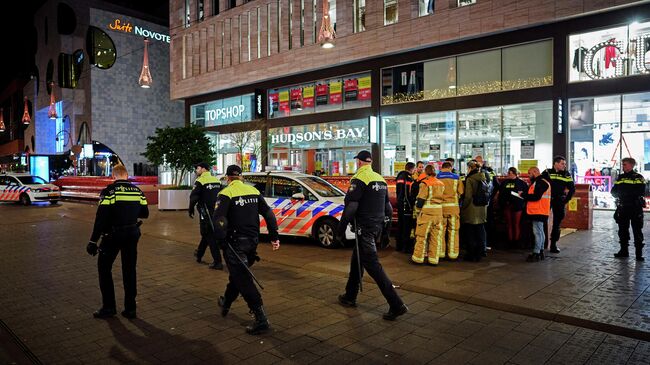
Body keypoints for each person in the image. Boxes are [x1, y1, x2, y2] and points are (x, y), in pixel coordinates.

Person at [336, 150, 408, 321]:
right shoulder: (380, 180)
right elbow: (388, 208)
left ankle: (396, 304)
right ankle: (350, 295)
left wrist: (340, 230)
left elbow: (351, 207)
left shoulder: (359, 179)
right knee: (357, 260)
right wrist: (386, 231)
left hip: (364, 229)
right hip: (375, 227)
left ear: (360, 162)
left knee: (373, 265)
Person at [212, 165, 280, 334]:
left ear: (228, 178)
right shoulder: (254, 191)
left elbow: (219, 220)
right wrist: (274, 236)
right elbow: (269, 214)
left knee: (243, 279)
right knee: (238, 274)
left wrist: (221, 241)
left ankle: (261, 318)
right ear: (241, 177)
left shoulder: (226, 193)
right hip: (252, 242)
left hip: (235, 243)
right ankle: (226, 301)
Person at [86, 165, 149, 319]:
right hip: (132, 234)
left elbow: (100, 219)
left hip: (112, 236)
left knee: (104, 268)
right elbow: (145, 213)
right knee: (129, 270)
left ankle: (109, 307)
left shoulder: (109, 192)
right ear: (126, 175)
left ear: (113, 176)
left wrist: (93, 241)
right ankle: (130, 308)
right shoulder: (137, 191)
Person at [189, 162, 224, 270]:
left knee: (209, 234)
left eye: (197, 168)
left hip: (206, 212)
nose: (196, 170)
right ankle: (199, 254)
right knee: (206, 233)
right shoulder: (217, 180)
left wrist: (190, 209)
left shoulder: (200, 181)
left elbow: (193, 197)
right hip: (217, 212)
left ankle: (218, 262)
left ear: (203, 169)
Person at [611, 157, 646, 261]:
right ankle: (623, 251)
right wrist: (622, 195)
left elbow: (640, 191)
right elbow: (613, 191)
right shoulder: (620, 177)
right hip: (623, 207)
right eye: (622, 165)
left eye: (625, 164)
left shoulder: (638, 177)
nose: (623, 166)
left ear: (631, 165)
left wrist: (624, 194)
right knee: (622, 230)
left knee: (637, 230)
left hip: (635, 208)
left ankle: (638, 254)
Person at [412, 165, 445, 265]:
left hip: (427, 214)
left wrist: (417, 211)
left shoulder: (425, 183)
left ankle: (418, 258)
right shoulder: (441, 183)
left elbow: (421, 200)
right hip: (438, 214)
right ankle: (433, 259)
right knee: (435, 237)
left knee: (421, 236)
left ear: (426, 173)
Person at [542, 156, 576, 253]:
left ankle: (553, 245)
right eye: (562, 163)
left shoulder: (566, 174)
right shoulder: (547, 172)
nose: (564, 166)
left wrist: (565, 200)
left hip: (559, 201)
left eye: (565, 164)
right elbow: (539, 183)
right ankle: (542, 244)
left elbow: (572, 189)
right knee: (543, 221)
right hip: (546, 201)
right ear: (555, 163)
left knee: (557, 224)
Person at [521, 167, 551, 262]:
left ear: (535, 172)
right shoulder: (541, 182)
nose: (529, 175)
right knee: (540, 232)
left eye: (530, 173)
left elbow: (536, 197)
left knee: (537, 232)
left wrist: (523, 195)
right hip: (540, 210)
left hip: (538, 211)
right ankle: (540, 251)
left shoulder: (540, 182)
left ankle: (536, 253)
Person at [460, 160, 487, 262]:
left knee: (470, 233)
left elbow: (467, 196)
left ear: (470, 168)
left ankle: (471, 254)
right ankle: (480, 253)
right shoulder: (484, 177)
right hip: (482, 209)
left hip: (471, 210)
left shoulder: (470, 179)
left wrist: (463, 207)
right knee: (480, 232)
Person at [437, 161, 463, 260]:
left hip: (441, 209)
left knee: (440, 231)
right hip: (453, 209)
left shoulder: (437, 177)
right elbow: (461, 191)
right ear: (450, 168)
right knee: (453, 231)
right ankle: (453, 254)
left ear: (442, 168)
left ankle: (441, 253)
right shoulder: (456, 177)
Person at [495, 167, 528, 246]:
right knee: (509, 224)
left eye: (510, 173)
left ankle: (516, 241)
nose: (508, 174)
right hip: (507, 205)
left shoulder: (521, 183)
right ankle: (510, 241)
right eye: (508, 173)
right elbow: (500, 194)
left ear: (514, 173)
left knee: (516, 224)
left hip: (518, 206)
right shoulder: (504, 183)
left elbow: (525, 195)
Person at [395, 162, 416, 252]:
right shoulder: (407, 178)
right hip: (406, 205)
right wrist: (410, 205)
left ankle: (399, 246)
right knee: (406, 227)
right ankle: (405, 247)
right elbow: (407, 194)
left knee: (400, 226)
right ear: (411, 169)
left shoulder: (400, 176)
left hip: (400, 205)